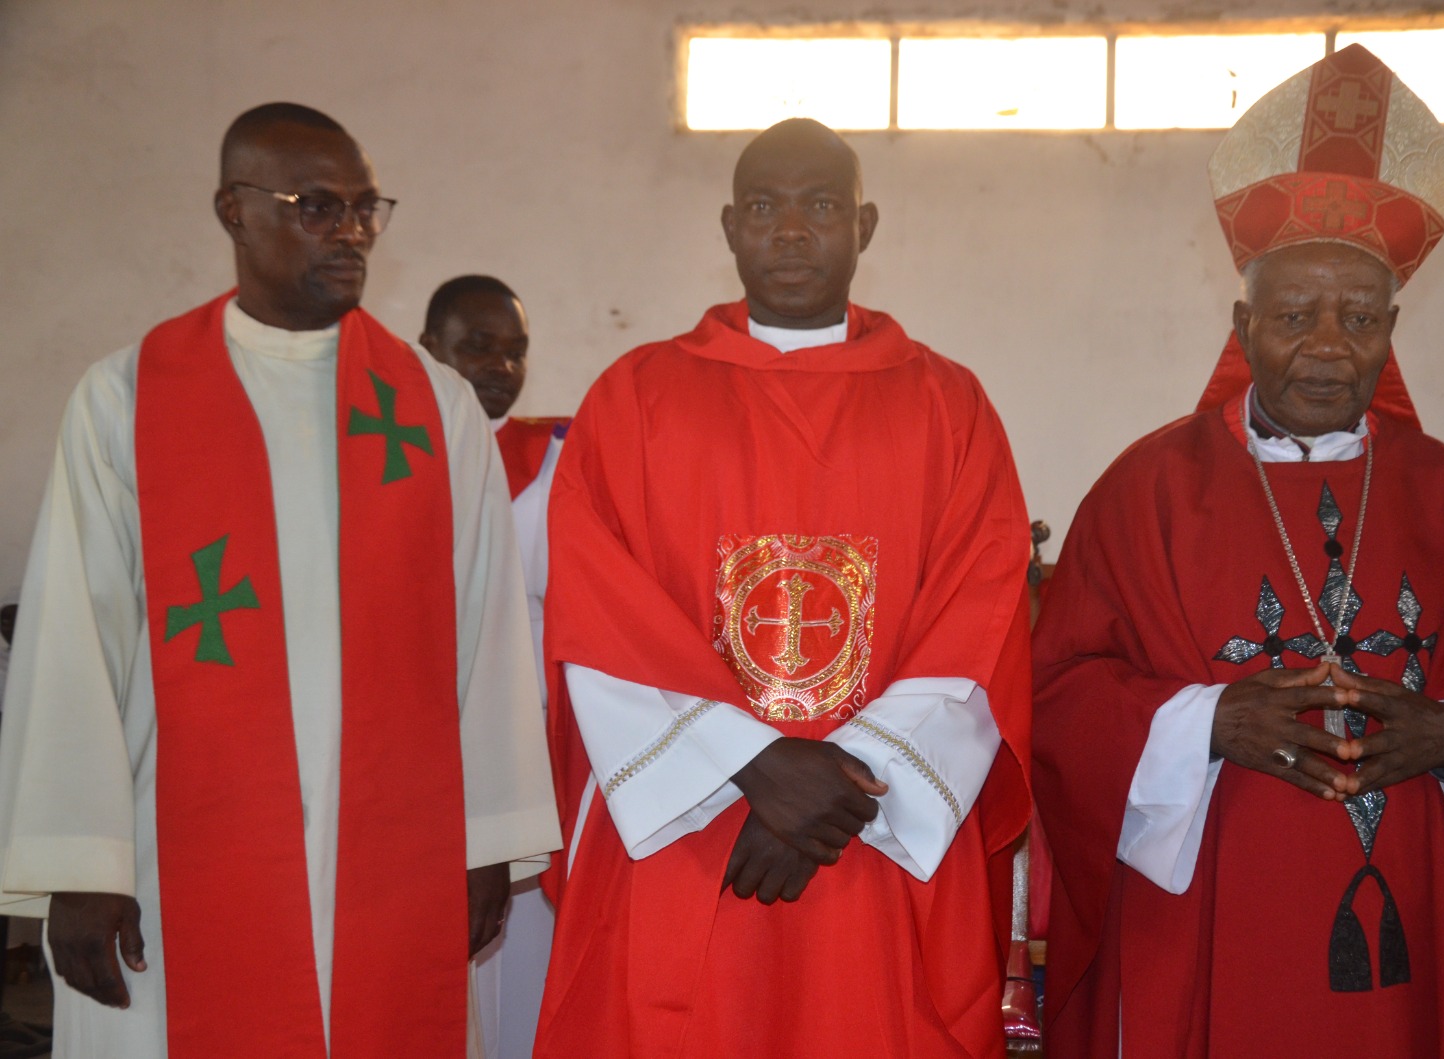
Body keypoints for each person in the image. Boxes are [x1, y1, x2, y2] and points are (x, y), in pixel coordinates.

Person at [1032, 45, 1444, 1058]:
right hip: (1208, 900)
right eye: (1296, 317)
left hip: (1413, 915)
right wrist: (1201, 723)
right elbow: (1058, 690)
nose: (1329, 343)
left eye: (1359, 318)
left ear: (1390, 332)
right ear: (1244, 326)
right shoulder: (1145, 491)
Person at [0, 103, 561, 1059]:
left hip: (391, 850)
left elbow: (490, 628)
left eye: (363, 208)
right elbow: (71, 637)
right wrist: (79, 864)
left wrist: (484, 840)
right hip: (175, 846)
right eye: (315, 206)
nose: (349, 232)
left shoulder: (433, 407)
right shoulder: (128, 398)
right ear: (232, 209)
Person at [532, 117, 1032, 1057]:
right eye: (765, 207)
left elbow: (983, 608)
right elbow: (599, 614)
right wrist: (754, 767)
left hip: (873, 829)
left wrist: (835, 788)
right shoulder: (633, 398)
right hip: (694, 831)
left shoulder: (947, 404)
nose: (792, 232)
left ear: (866, 225)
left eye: (821, 207)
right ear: (728, 226)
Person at [420, 275, 567, 1058]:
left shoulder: (561, 457)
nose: (500, 366)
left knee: (529, 944)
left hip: (531, 733)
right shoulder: (389, 453)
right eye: (478, 346)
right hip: (420, 731)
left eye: (515, 351)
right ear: (429, 348)